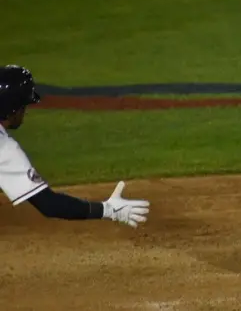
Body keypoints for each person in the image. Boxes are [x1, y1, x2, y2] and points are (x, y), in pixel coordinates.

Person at [0, 64, 150, 228]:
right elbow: (49, 204)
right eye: (23, 106)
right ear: (12, 108)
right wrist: (108, 210)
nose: (24, 112)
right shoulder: (5, 149)